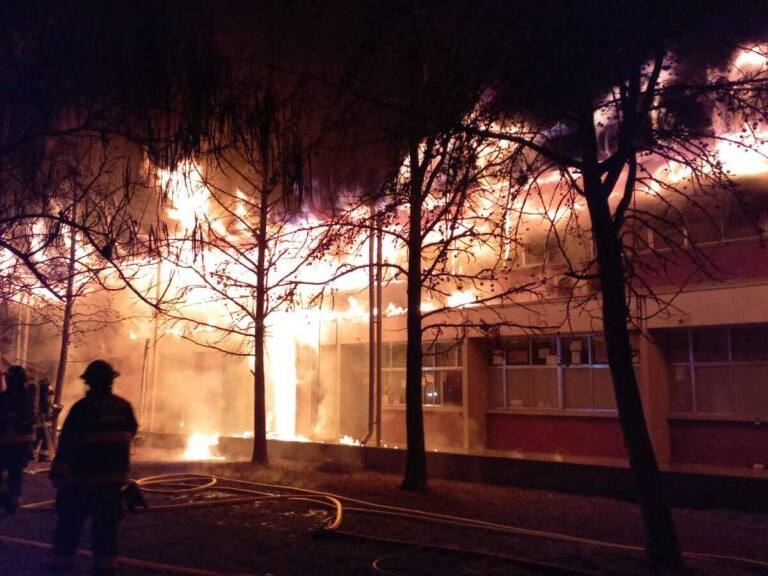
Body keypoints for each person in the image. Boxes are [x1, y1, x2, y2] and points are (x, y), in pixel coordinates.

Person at [50, 360, 138, 576]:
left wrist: (59, 472)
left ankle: (62, 565)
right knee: (106, 528)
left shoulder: (82, 409)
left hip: (83, 480)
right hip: (113, 482)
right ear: (111, 382)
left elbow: (68, 443)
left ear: (88, 383)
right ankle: (105, 568)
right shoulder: (123, 407)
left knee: (70, 524)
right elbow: (130, 432)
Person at [0, 365, 35, 513]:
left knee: (8, 472)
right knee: (15, 474)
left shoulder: (6, 397)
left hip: (8, 442)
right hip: (20, 444)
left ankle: (8, 500)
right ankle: (12, 500)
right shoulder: (28, 397)